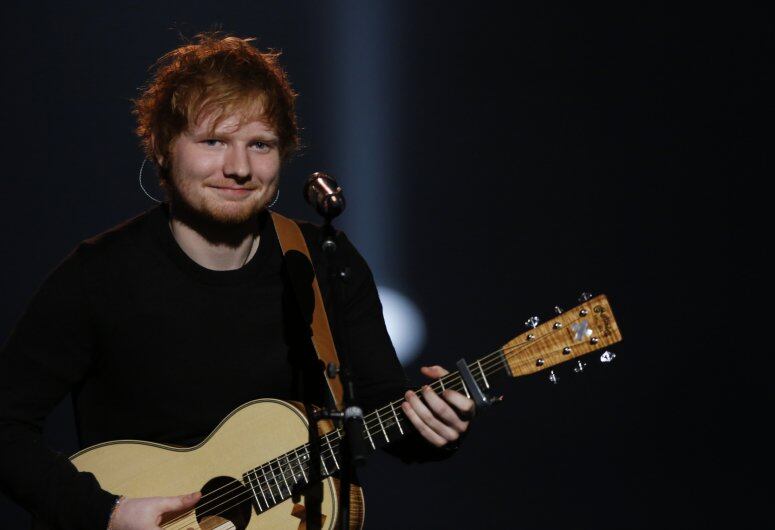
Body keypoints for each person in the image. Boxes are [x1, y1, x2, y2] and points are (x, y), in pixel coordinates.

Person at [0, 33, 474, 530]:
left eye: (260, 145)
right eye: (213, 142)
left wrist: (436, 423)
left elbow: (381, 418)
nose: (239, 167)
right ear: (163, 148)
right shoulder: (98, 275)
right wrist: (108, 512)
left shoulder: (323, 262)